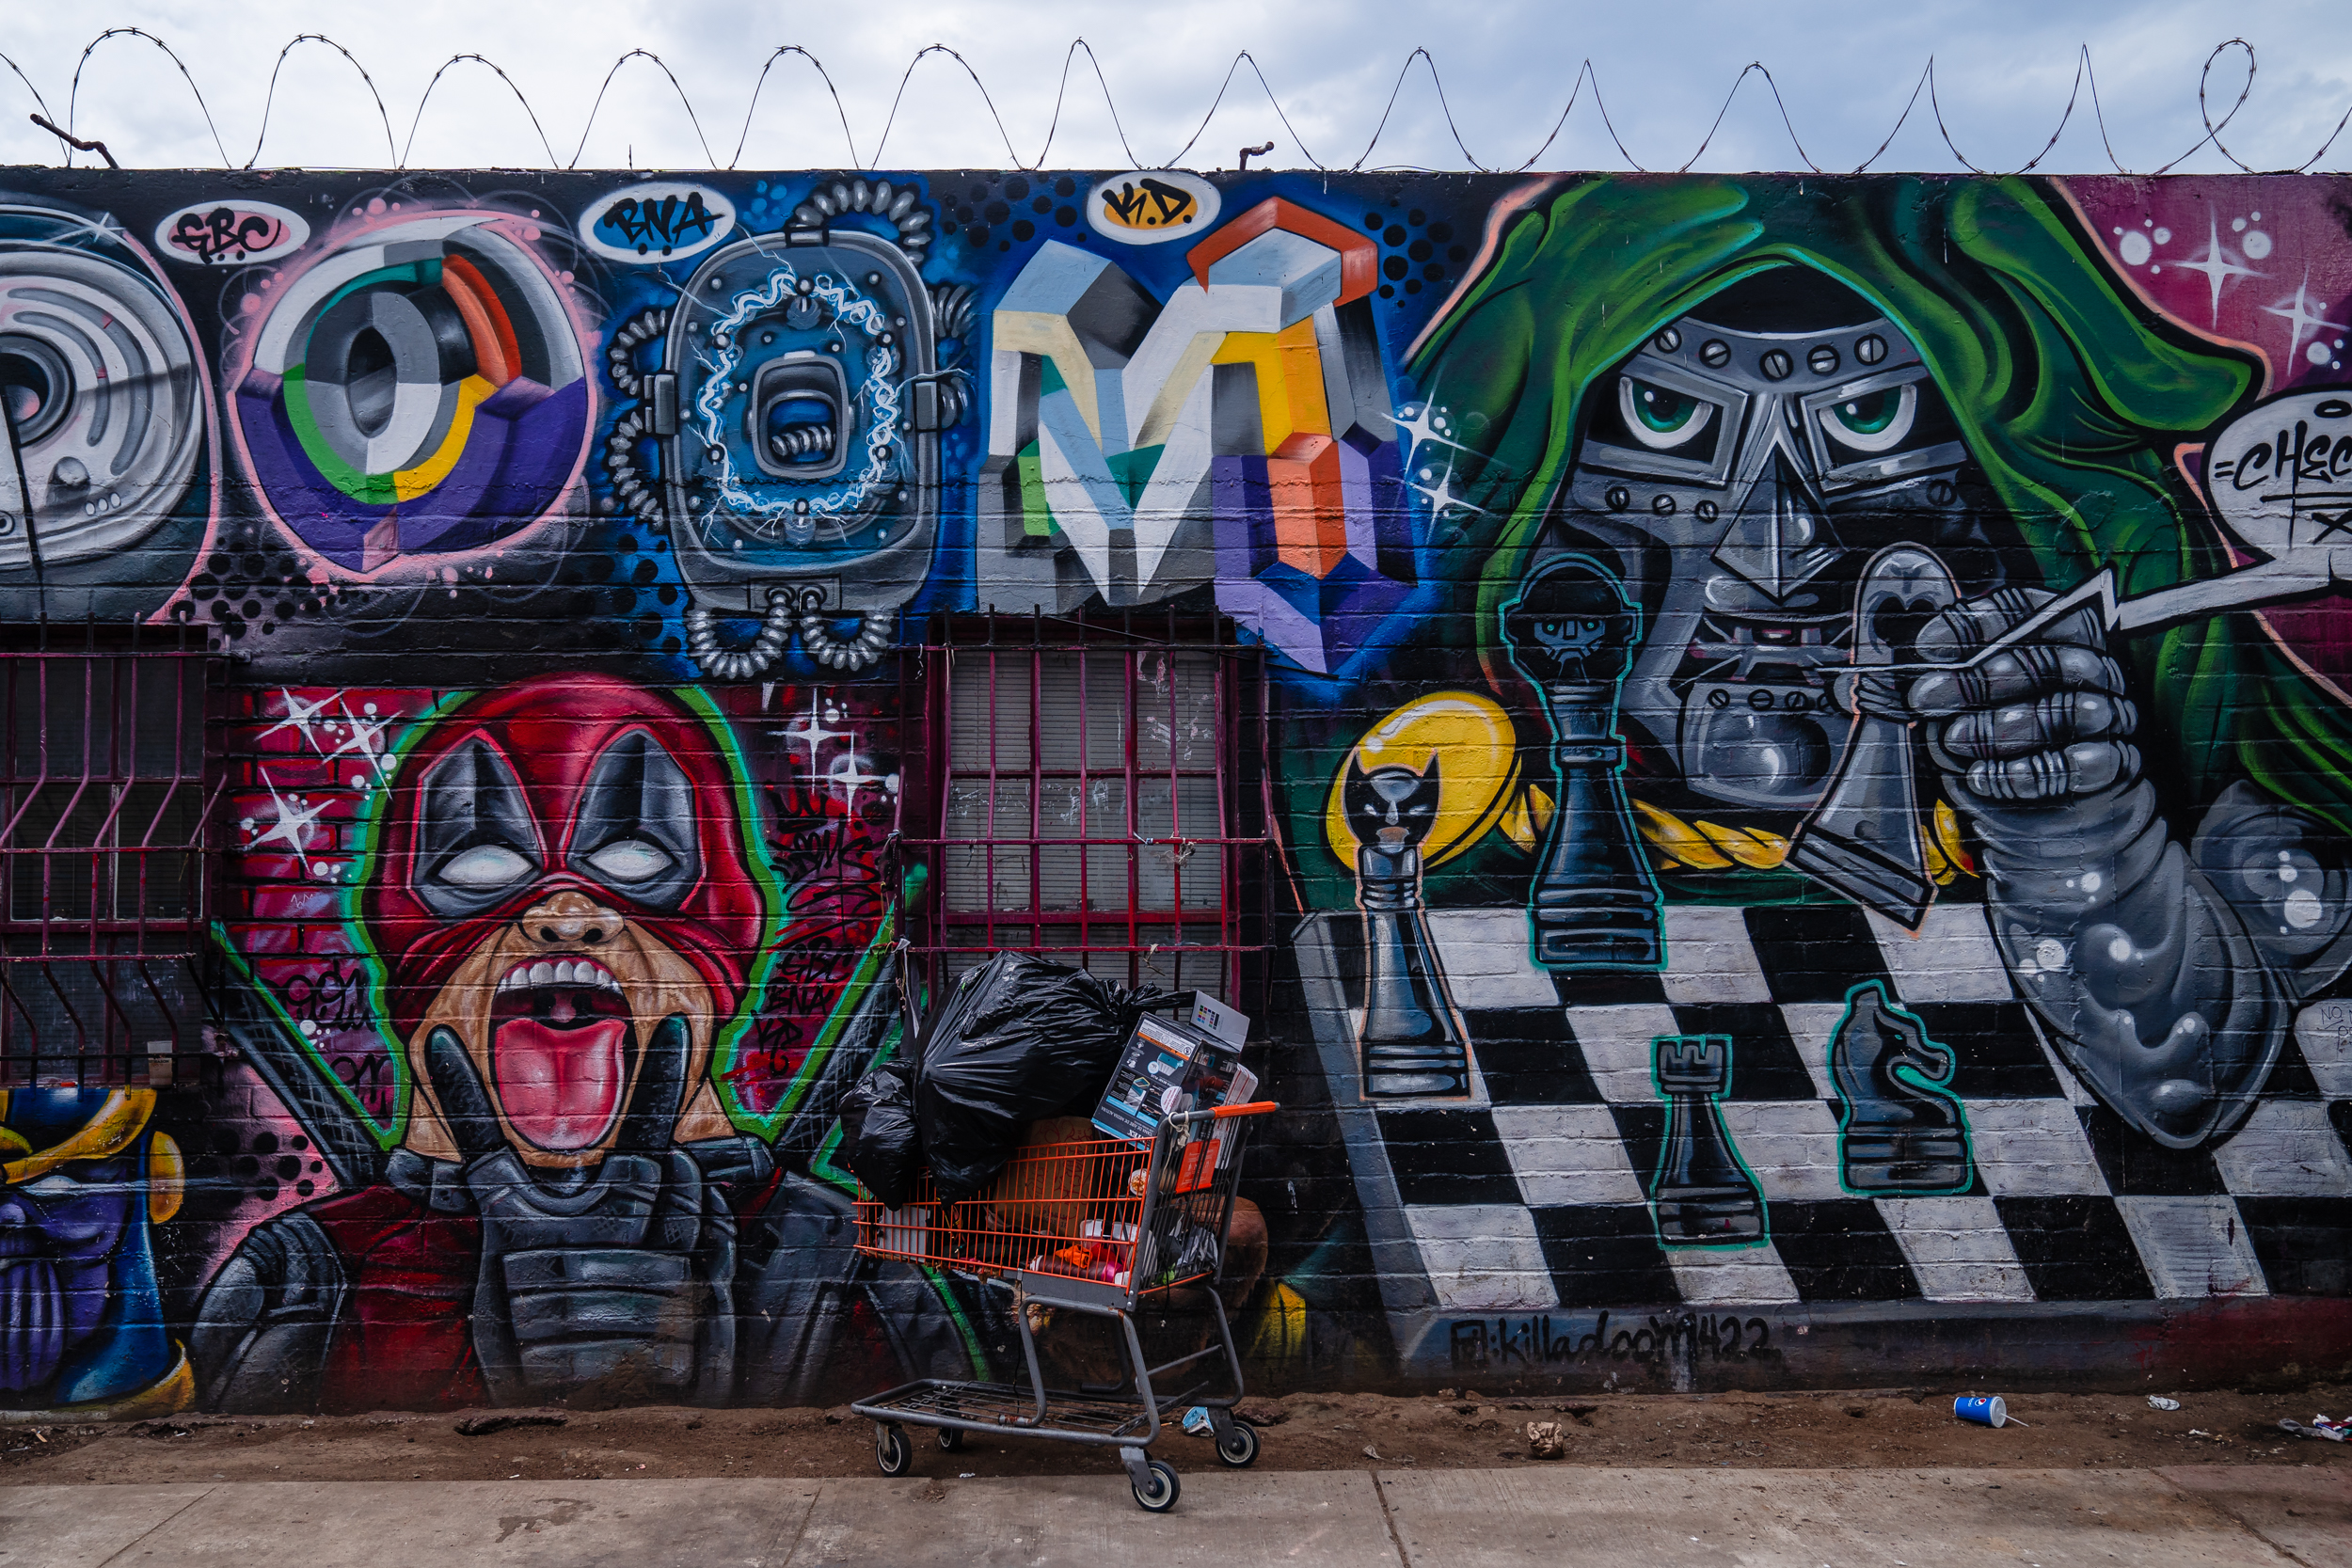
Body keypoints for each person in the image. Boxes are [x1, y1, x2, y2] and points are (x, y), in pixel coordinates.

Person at [1399, 175, 2352, 1151]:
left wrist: (2076, 835)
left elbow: (2186, 1084)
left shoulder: (2244, 812)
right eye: (1665, 415)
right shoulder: (1434, 802)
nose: (1778, 551)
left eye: (1871, 419)